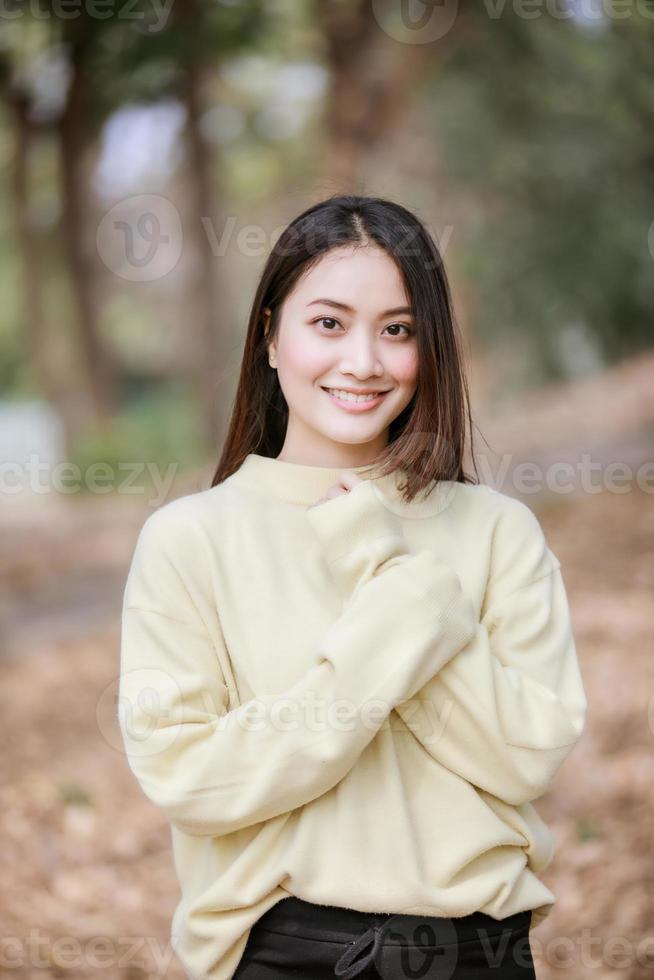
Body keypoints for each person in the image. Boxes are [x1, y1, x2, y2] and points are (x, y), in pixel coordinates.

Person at [117, 194, 588, 980]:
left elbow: (527, 755)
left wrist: (385, 568)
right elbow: (189, 775)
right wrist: (408, 614)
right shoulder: (190, 540)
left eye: (397, 330)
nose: (364, 361)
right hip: (284, 952)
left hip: (479, 951)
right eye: (328, 323)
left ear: (428, 348)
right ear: (270, 335)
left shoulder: (497, 530)